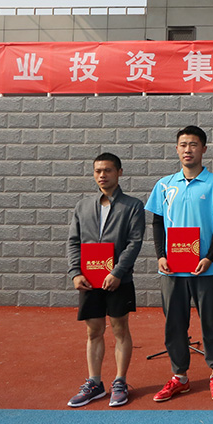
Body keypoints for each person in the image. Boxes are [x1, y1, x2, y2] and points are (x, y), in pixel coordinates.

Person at [145, 125, 213, 402]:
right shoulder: (164, 185)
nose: (188, 149)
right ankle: (180, 377)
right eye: (183, 145)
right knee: (174, 324)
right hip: (172, 269)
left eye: (194, 144)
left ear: (203, 149)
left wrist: (209, 257)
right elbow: (157, 222)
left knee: (212, 322)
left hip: (206, 269)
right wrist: (161, 255)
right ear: (176, 149)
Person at [66, 152, 145, 407]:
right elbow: (73, 242)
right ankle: (95, 383)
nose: (102, 175)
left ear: (119, 172)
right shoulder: (82, 206)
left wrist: (117, 272)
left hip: (119, 280)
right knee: (93, 331)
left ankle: (120, 381)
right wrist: (75, 273)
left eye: (108, 170)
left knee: (120, 329)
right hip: (89, 280)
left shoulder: (133, 206)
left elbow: (134, 243)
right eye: (98, 171)